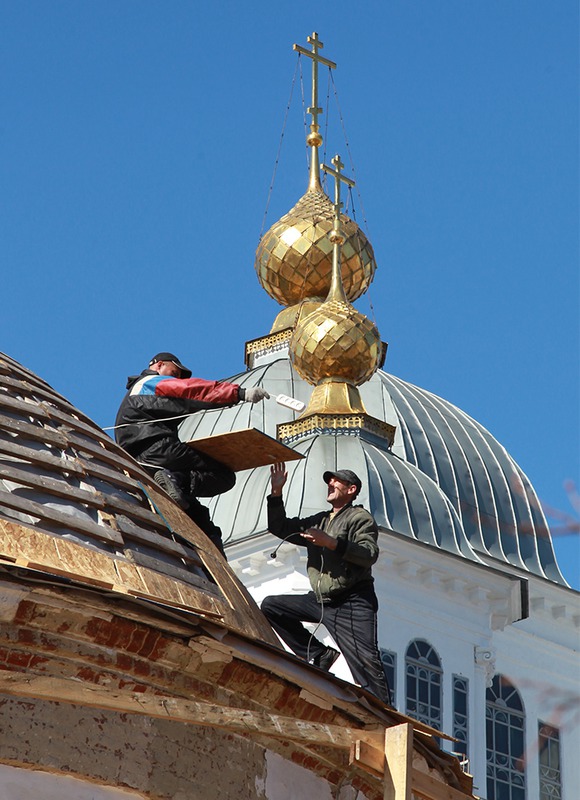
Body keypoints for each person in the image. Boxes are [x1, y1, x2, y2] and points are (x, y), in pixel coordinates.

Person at [261, 463, 391, 705]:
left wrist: (331, 543)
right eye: (329, 481)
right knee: (271, 607)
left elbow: (368, 553)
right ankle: (319, 654)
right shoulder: (320, 520)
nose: (330, 484)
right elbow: (280, 527)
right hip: (322, 600)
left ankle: (387, 719)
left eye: (336, 481)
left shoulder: (359, 518)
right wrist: (276, 493)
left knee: (366, 662)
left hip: (352, 601)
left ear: (352, 489)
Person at [114, 352, 269, 555]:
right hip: (158, 449)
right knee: (223, 475)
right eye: (174, 372)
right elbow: (191, 390)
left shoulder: (139, 392)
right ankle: (174, 477)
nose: (176, 378)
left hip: (141, 463)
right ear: (159, 365)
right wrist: (239, 393)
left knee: (199, 519)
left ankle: (209, 550)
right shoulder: (150, 383)